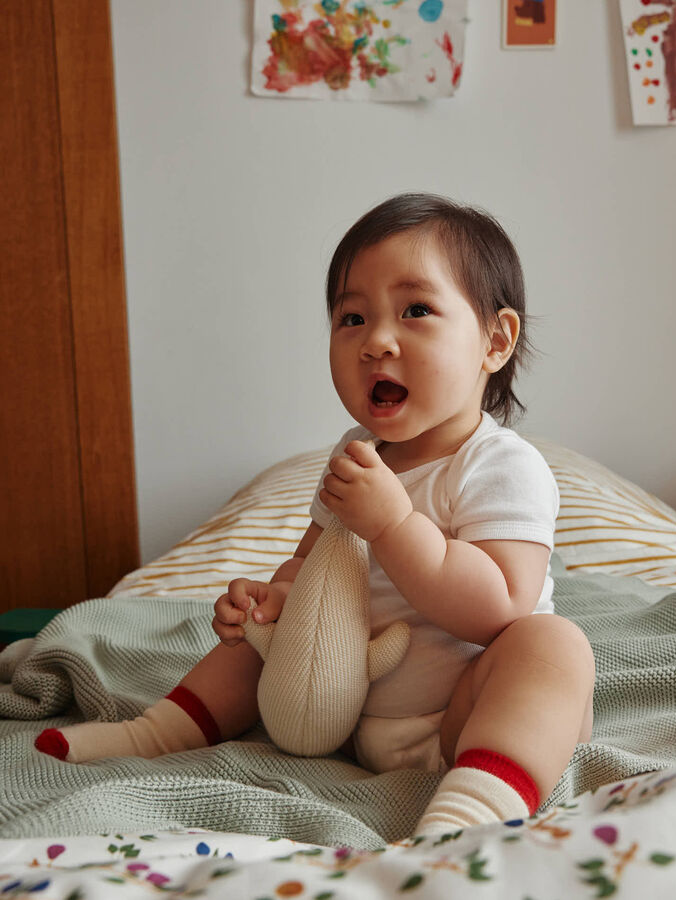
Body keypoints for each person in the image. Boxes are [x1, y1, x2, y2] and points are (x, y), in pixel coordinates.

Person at [36, 193, 595, 836]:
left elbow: (501, 603)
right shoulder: (356, 455)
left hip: (463, 715)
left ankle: (473, 811)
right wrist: (274, 599)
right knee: (256, 640)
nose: (376, 341)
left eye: (416, 310)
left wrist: (393, 526)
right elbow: (314, 560)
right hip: (343, 710)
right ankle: (154, 733)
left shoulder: (500, 465)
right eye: (351, 318)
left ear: (495, 341)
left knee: (552, 647)